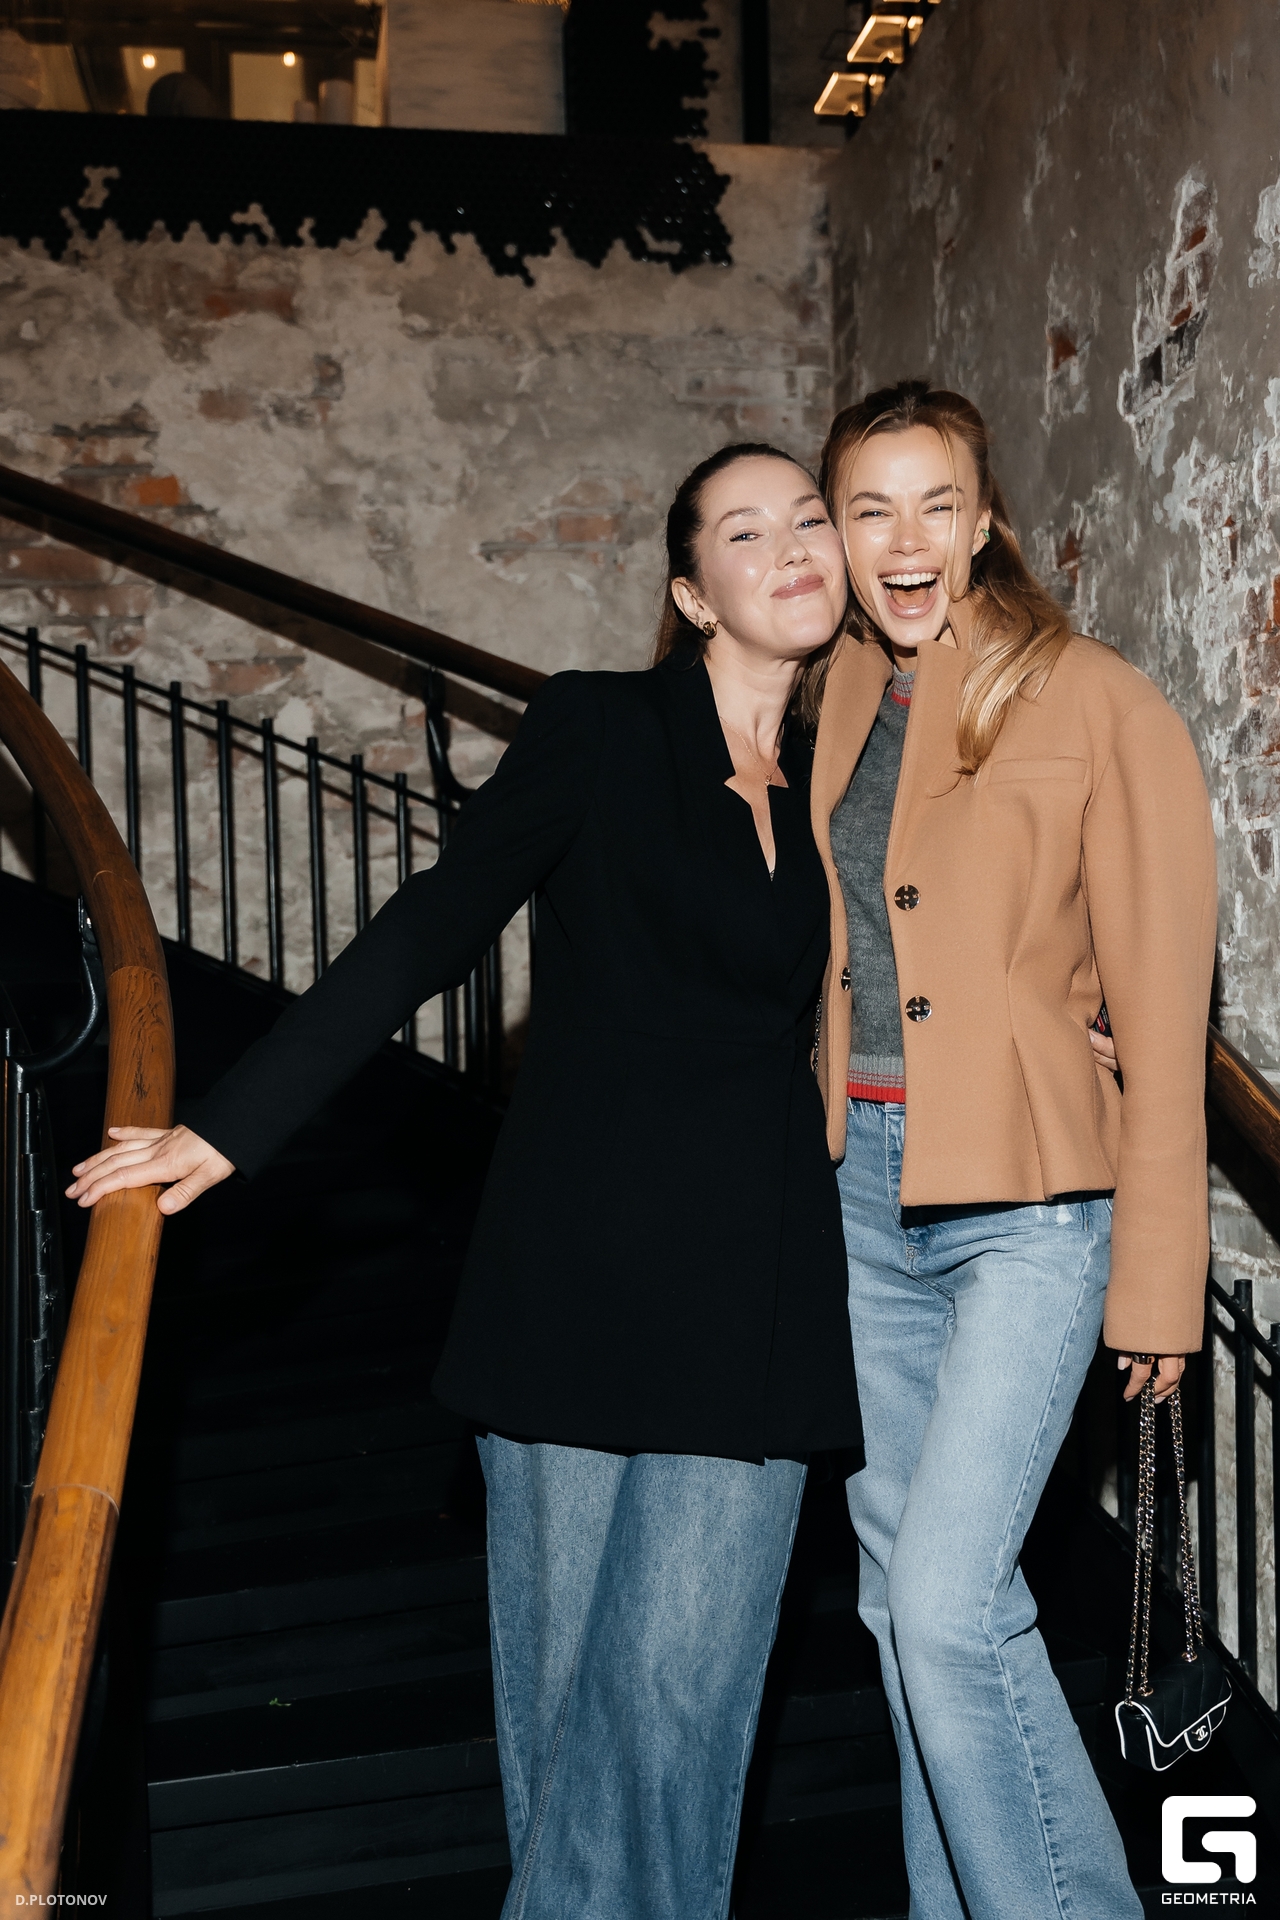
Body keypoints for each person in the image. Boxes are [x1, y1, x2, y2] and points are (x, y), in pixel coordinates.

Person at [67, 444, 860, 1920]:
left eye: (808, 517)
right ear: (694, 593)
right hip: (575, 1274)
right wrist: (228, 1126)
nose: (794, 547)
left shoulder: (853, 773)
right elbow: (438, 919)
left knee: (679, 1717)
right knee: (564, 1724)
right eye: (746, 533)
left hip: (757, 1288)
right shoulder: (603, 726)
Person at [810, 379, 1215, 1920]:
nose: (905, 540)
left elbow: (1163, 1009)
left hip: (1030, 1210)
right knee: (896, 1604)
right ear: (838, 533)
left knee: (946, 1603)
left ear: (983, 523)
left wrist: (1159, 1281)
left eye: (937, 504)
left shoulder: (1098, 701)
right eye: (871, 509)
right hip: (860, 1192)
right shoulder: (838, 693)